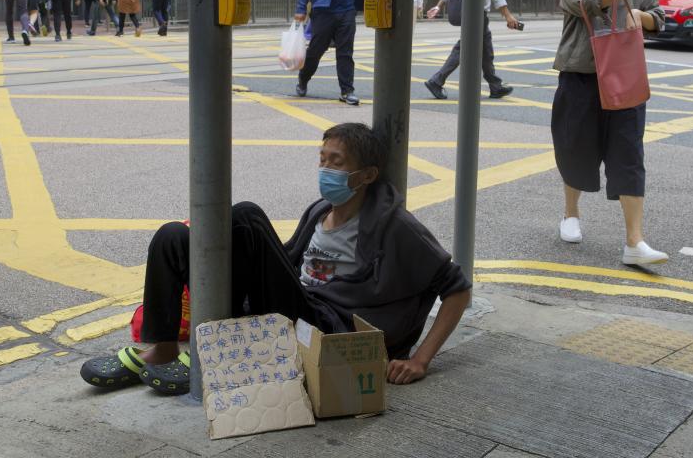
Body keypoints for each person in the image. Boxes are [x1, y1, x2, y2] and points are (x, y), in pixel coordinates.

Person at [80, 123, 471, 394]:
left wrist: (420, 360)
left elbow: (457, 289)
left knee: (247, 214)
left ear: (366, 175)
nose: (325, 168)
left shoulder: (395, 225)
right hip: (296, 306)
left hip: (327, 328)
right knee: (171, 236)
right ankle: (162, 347)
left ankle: (211, 346)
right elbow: (284, 262)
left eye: (337, 162)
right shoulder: (320, 210)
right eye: (322, 158)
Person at [554, 0, 678, 266]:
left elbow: (659, 19)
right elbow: (587, 2)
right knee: (575, 148)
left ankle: (634, 242)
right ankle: (571, 214)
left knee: (629, 154)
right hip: (581, 76)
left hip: (625, 77)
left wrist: (639, 14)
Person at [424, 0, 521, 100]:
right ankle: (436, 80)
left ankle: (495, 86)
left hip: (469, 13)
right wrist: (507, 15)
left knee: (486, 50)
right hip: (477, 15)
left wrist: (438, 6)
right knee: (464, 48)